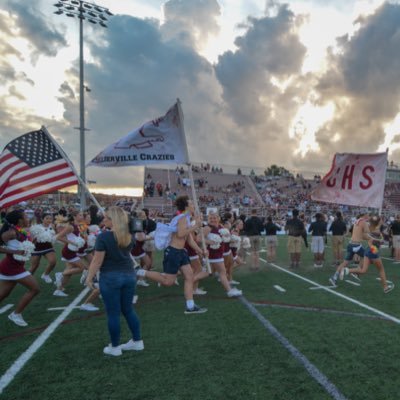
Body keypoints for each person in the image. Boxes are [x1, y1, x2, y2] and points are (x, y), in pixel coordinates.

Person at [85, 206, 143, 356]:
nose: (103, 220)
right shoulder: (129, 235)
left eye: (106, 218)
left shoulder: (104, 237)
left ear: (113, 220)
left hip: (111, 277)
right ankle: (137, 341)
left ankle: (115, 347)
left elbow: (97, 261)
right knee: (128, 309)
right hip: (129, 276)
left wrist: (89, 277)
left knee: (113, 313)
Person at [137, 196, 209, 314]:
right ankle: (140, 272)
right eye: (191, 203)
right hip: (173, 252)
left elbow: (189, 240)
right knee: (168, 282)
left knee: (189, 277)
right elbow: (181, 234)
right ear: (186, 206)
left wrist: (201, 252)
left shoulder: (186, 219)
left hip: (181, 252)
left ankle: (190, 307)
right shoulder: (182, 218)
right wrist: (195, 226)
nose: (193, 205)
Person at [0, 210, 40, 327]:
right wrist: (16, 251)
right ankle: (16, 314)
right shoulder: (11, 232)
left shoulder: (19, 230)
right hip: (11, 267)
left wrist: (34, 240)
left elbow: (24, 246)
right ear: (19, 220)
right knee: (35, 289)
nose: (28, 218)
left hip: (15, 266)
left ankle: (16, 314)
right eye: (26, 216)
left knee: (3, 295)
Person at [342, 215, 394, 293]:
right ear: (379, 222)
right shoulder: (377, 231)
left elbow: (364, 236)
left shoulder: (371, 228)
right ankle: (385, 287)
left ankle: (347, 270)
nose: (382, 221)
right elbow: (382, 239)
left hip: (368, 249)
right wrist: (380, 240)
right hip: (373, 250)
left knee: (363, 270)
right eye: (381, 220)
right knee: (381, 269)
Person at [203, 212, 242, 297]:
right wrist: (211, 242)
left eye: (215, 217)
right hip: (214, 254)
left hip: (219, 253)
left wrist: (229, 237)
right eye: (211, 218)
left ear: (219, 218)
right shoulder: (208, 227)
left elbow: (224, 239)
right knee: (222, 272)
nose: (213, 219)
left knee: (210, 272)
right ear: (208, 219)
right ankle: (230, 291)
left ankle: (192, 280)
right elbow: (198, 238)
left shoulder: (220, 227)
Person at [329, 212, 370, 286]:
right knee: (366, 256)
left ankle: (334, 277)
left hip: (351, 244)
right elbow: (368, 234)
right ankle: (356, 272)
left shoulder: (356, 221)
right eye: (368, 215)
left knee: (345, 263)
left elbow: (359, 234)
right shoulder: (364, 222)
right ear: (364, 215)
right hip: (356, 246)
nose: (369, 216)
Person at [53, 211, 88, 297]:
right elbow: (58, 237)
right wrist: (73, 243)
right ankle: (60, 274)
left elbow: (81, 236)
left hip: (73, 250)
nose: (82, 216)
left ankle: (59, 289)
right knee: (82, 268)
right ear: (74, 216)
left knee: (70, 271)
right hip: (68, 251)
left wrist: (83, 239)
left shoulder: (80, 225)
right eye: (80, 215)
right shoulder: (71, 227)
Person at [29, 213, 57, 283]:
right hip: (37, 248)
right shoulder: (37, 227)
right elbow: (33, 239)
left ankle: (45, 275)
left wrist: (53, 247)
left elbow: (51, 238)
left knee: (53, 262)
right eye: (47, 218)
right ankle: (28, 279)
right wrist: (30, 247)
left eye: (50, 218)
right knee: (34, 266)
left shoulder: (52, 226)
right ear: (42, 219)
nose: (49, 220)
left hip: (48, 247)